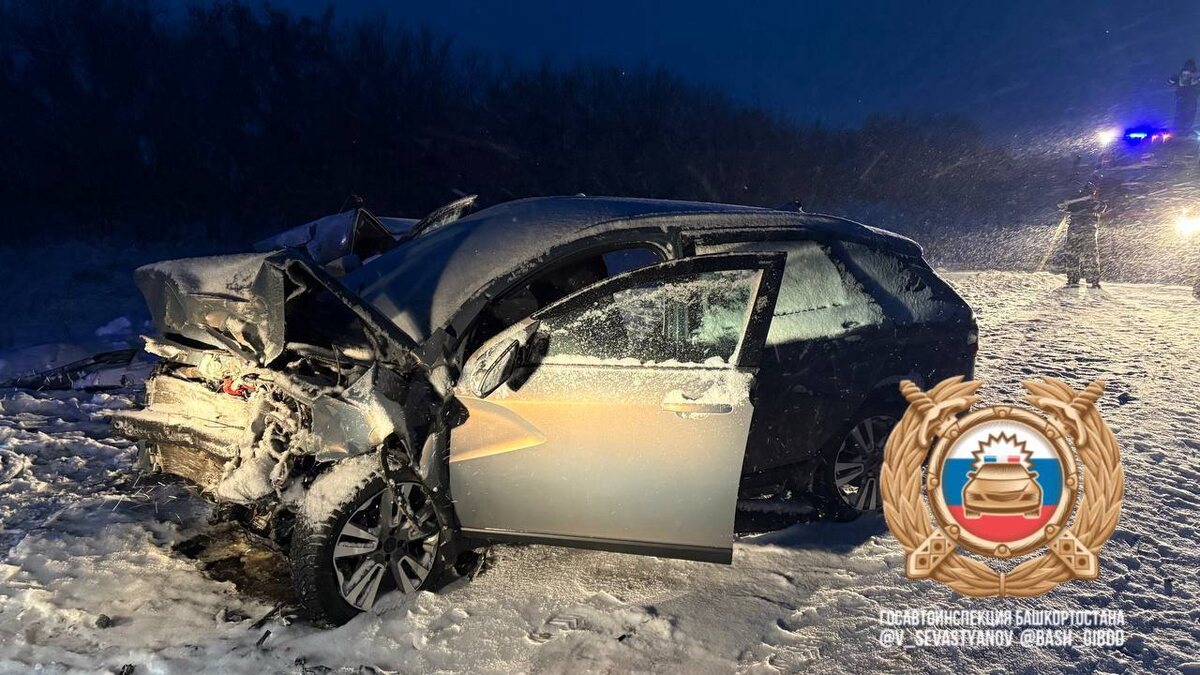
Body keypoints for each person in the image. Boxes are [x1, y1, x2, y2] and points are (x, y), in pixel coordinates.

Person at [1058, 177, 1106, 287]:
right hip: (1083, 231)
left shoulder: (1095, 203)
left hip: (1080, 231)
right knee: (1084, 254)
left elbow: (1100, 207)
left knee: (1077, 254)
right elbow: (1061, 205)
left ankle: (1079, 279)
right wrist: (1077, 201)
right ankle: (1087, 280)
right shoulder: (1077, 201)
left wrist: (1082, 202)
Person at [1168, 59, 1199, 134]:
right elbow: (1170, 83)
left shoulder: (1182, 76)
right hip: (1189, 98)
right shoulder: (1195, 77)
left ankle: (1179, 130)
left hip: (1183, 97)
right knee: (1188, 114)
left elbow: (1170, 83)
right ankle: (1183, 130)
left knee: (1181, 114)